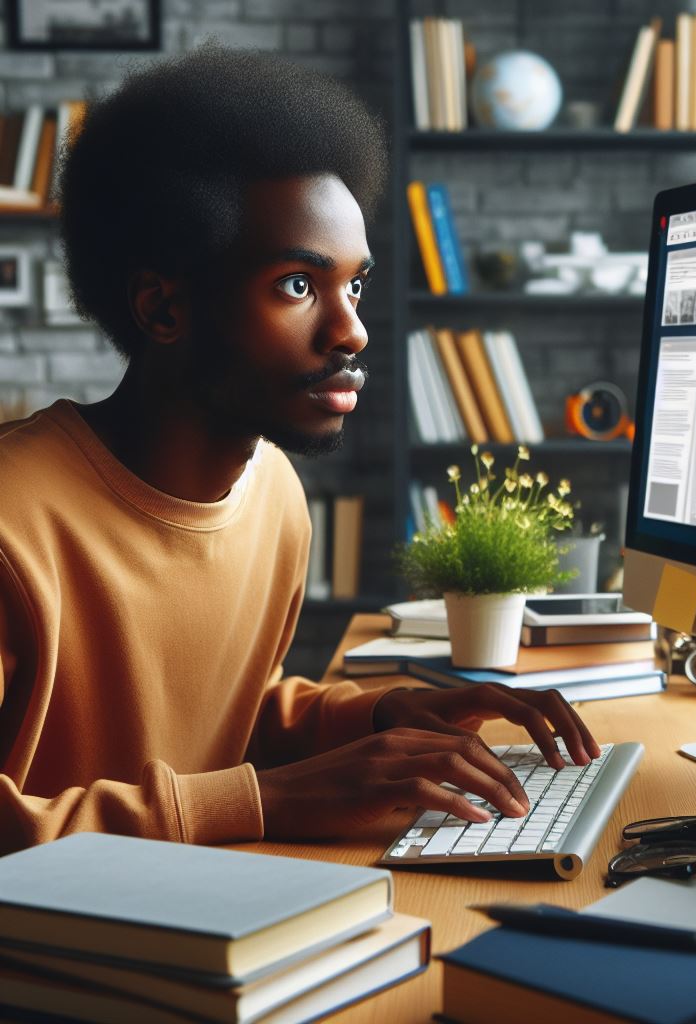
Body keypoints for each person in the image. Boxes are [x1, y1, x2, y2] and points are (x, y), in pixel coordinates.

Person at [0, 46, 601, 854]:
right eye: (297, 284)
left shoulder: (274, 492)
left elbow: (226, 716)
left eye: (354, 285)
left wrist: (381, 713)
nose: (351, 329)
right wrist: (267, 801)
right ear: (162, 306)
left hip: (195, 911)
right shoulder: (14, 521)